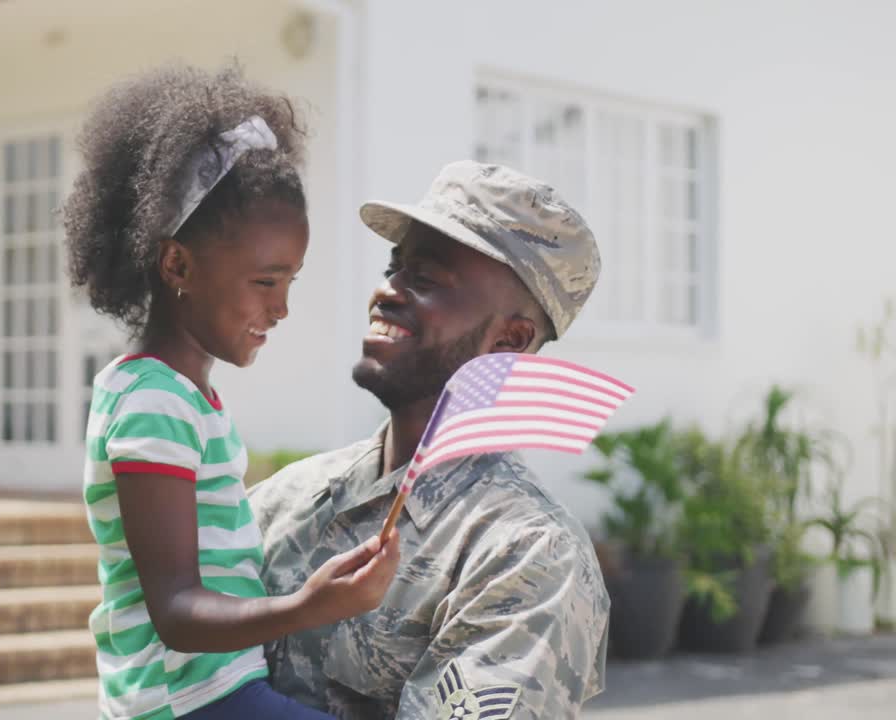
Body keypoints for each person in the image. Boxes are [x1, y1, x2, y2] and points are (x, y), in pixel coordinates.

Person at [62, 63, 400, 720]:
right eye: (265, 282)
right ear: (178, 264)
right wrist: (310, 607)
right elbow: (177, 614)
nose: (281, 309)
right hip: (190, 703)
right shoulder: (151, 402)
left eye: (291, 283)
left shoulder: (185, 398)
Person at [250, 160, 610, 720]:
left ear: (509, 340)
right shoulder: (282, 501)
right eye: (395, 266)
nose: (386, 292)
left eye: (426, 278)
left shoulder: (527, 553)